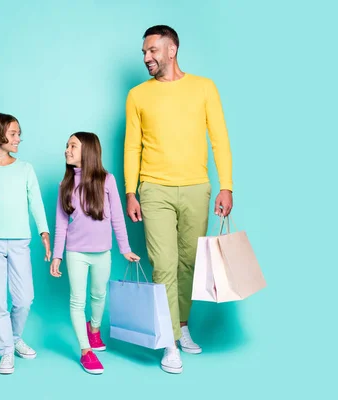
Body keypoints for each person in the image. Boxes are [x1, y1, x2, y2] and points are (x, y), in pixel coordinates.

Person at [123, 25, 234, 374]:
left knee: (189, 264)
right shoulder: (137, 95)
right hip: (153, 188)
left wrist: (226, 185)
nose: (146, 57)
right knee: (164, 264)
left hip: (196, 187)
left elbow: (219, 139)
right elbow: (132, 146)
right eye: (144, 52)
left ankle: (182, 325)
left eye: (152, 50)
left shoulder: (204, 87)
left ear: (172, 50)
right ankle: (169, 341)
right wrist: (130, 190)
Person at [50, 132, 140, 374]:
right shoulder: (64, 184)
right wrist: (57, 255)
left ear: (88, 151)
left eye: (72, 146)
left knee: (99, 296)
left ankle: (95, 329)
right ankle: (85, 351)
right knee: (77, 301)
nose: (66, 150)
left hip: (103, 252)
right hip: (75, 253)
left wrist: (126, 249)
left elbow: (118, 218)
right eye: (67, 145)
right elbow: (60, 224)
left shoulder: (107, 180)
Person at [0, 112, 51, 375]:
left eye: (19, 133)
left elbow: (36, 203)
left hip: (20, 241)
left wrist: (44, 233)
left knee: (25, 298)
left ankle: (15, 338)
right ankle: (5, 351)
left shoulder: (25, 169)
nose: (19, 138)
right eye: (14, 133)